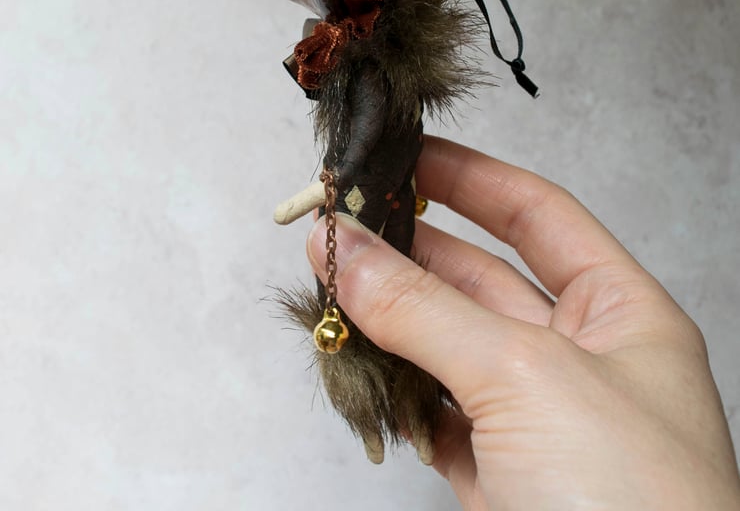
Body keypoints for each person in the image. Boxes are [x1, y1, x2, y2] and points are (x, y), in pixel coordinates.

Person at [306, 136, 740, 510]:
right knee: (368, 356)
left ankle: (405, 420)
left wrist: (340, 182)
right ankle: (386, 421)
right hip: (372, 203)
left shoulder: (384, 108)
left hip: (373, 205)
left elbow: (364, 142)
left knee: (388, 362)